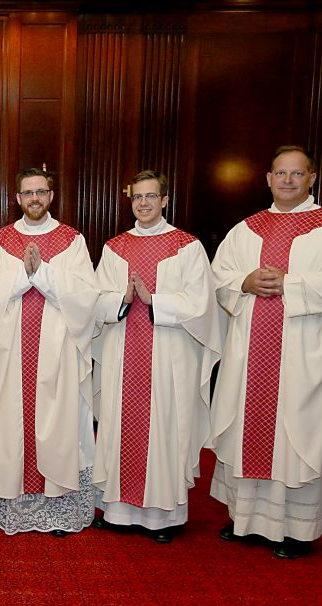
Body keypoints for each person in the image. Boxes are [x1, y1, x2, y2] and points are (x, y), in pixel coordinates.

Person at [209, 146, 322, 558]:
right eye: (280, 173)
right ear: (268, 178)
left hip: (304, 350)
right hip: (250, 351)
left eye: (296, 174)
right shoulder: (245, 229)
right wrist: (244, 282)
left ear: (311, 179)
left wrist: (292, 284)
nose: (287, 180)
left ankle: (299, 530)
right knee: (247, 425)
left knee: (298, 431)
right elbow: (218, 277)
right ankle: (246, 518)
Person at [91, 171, 221, 543]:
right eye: (137, 197)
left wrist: (155, 301)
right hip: (122, 355)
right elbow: (95, 298)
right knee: (119, 425)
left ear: (165, 200)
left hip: (168, 358)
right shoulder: (115, 248)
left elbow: (201, 304)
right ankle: (117, 510)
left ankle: (163, 518)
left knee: (164, 428)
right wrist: (122, 300)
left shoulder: (187, 246)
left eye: (151, 197)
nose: (143, 203)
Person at [0, 168, 99, 536]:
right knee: (10, 423)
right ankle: (10, 502)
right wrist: (22, 276)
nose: (35, 199)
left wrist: (41, 274)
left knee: (57, 426)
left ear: (51, 196)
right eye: (28, 193)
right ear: (17, 198)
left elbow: (84, 294)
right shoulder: (0, 239)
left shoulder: (71, 240)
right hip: (10, 354)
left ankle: (58, 510)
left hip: (56, 356)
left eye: (41, 192)